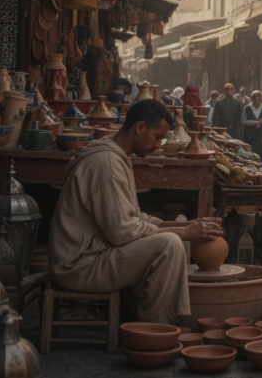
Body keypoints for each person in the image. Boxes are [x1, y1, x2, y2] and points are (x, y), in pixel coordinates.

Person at [48, 100, 224, 324]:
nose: (159, 146)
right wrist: (180, 233)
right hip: (78, 266)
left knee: (181, 238)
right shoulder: (107, 164)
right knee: (170, 245)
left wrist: (185, 228)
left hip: (94, 254)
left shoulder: (115, 157)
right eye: (157, 137)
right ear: (140, 127)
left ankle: (143, 319)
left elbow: (133, 219)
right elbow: (121, 232)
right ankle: (152, 330)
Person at [241, 91, 262, 163]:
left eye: (258, 99)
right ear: (251, 99)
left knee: (261, 157)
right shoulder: (247, 108)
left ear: (261, 99)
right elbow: (243, 121)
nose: (256, 101)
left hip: (260, 137)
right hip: (249, 136)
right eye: (254, 99)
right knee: (250, 156)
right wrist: (255, 122)